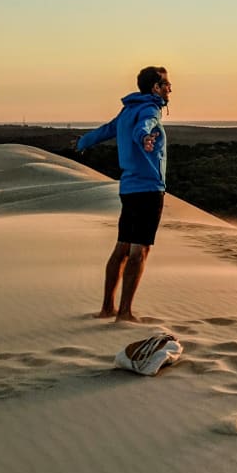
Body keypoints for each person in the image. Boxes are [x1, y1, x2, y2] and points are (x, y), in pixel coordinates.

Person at [77, 66, 172, 323]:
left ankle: (107, 308)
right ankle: (125, 313)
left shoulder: (128, 108)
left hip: (128, 189)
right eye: (166, 84)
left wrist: (83, 142)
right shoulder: (150, 109)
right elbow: (145, 126)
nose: (169, 89)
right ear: (155, 87)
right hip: (148, 189)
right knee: (139, 252)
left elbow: (107, 129)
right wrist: (144, 138)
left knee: (123, 247)